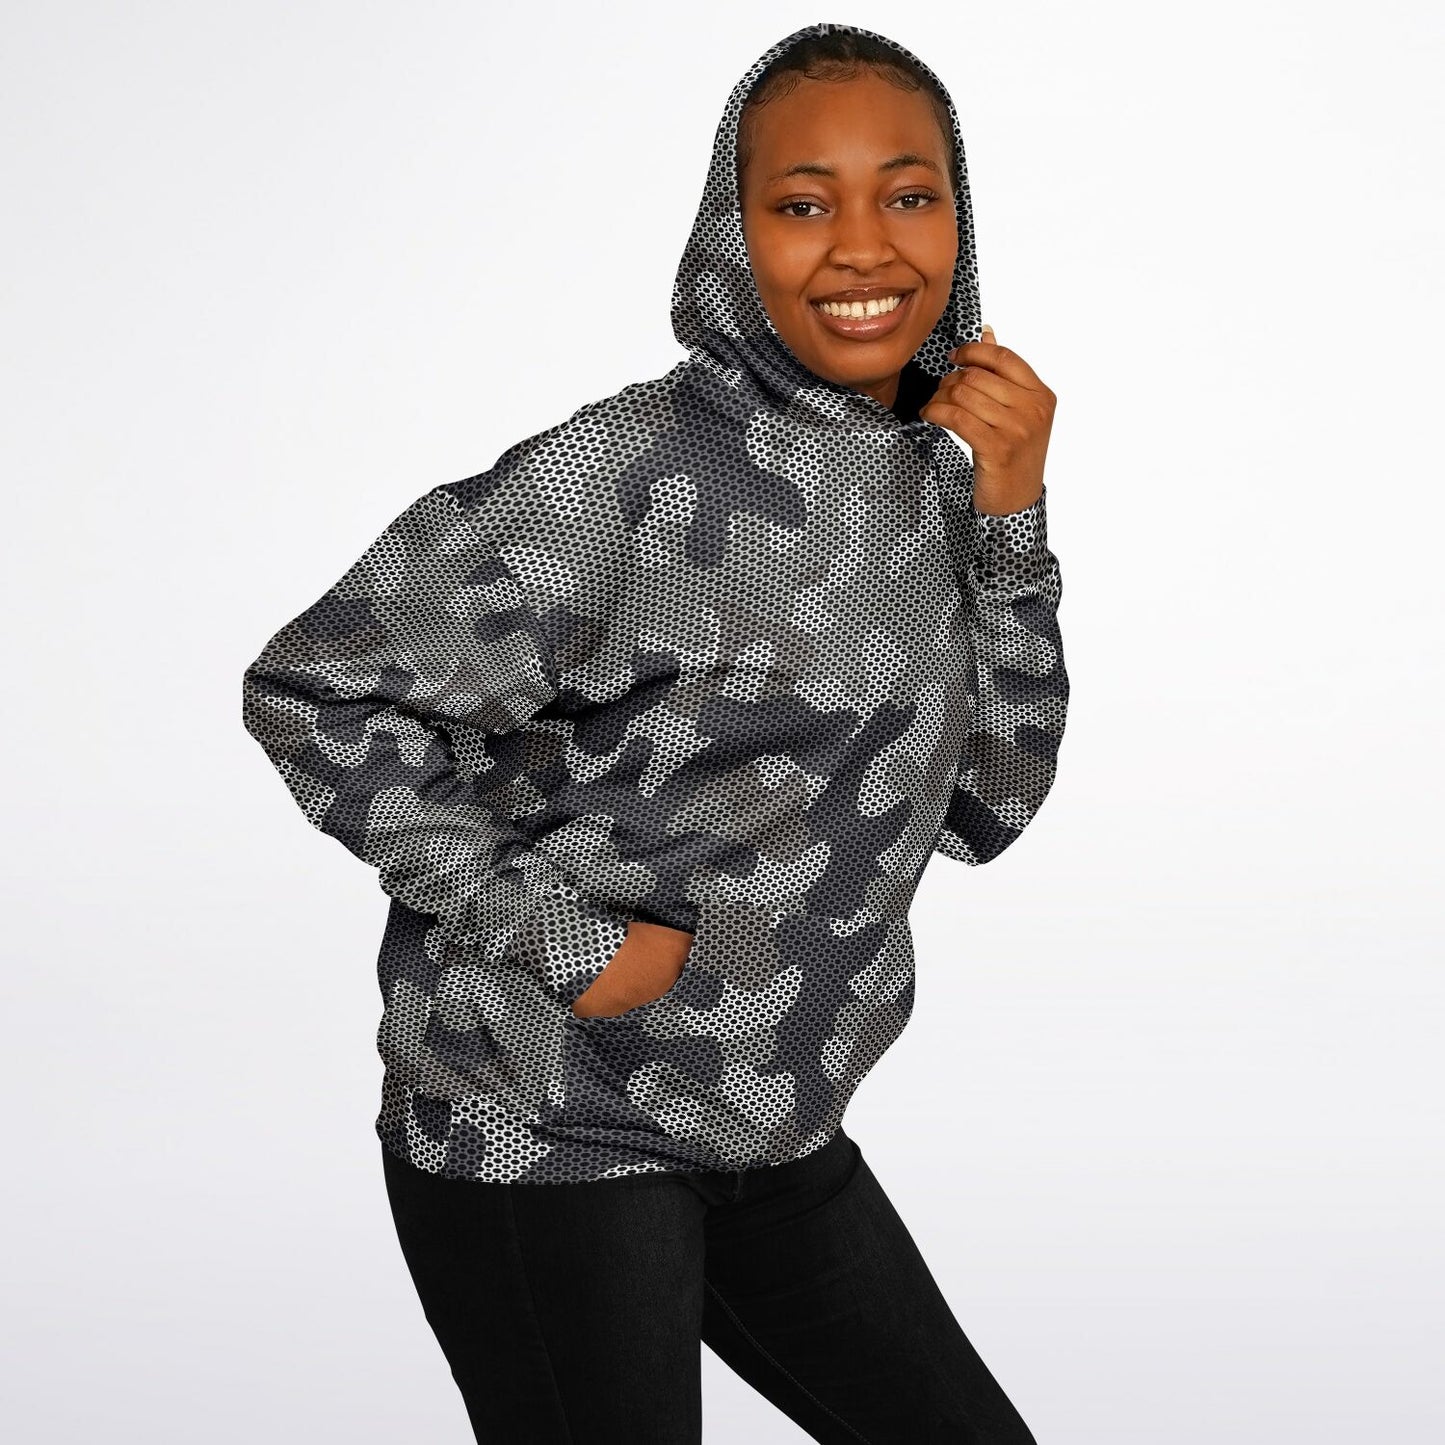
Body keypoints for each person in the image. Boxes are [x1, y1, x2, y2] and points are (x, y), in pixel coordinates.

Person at [241, 20, 1067, 1444]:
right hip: (548, 1122)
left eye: (908, 194)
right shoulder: (621, 473)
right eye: (802, 202)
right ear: (732, 234)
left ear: (958, 217)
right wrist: (566, 941)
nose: (863, 245)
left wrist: (1010, 518)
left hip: (769, 1118)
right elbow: (315, 691)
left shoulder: (936, 478)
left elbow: (990, 804)